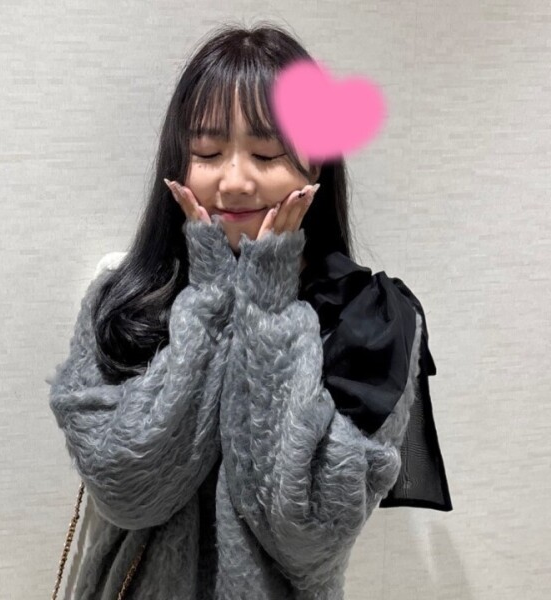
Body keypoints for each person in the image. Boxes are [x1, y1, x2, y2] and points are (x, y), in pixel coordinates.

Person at [47, 21, 452, 600]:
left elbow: (307, 536)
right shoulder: (127, 297)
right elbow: (127, 492)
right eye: (208, 152)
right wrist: (211, 304)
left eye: (266, 153)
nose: (235, 182)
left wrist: (266, 308)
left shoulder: (372, 319)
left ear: (315, 165)